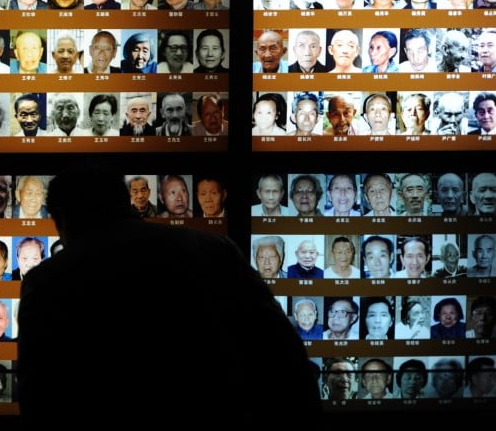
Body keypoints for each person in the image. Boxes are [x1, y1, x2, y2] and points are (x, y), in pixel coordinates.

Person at [18, 165, 321, 420]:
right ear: (124, 202)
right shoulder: (214, 250)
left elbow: (39, 400)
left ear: (60, 219)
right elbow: (284, 355)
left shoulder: (46, 282)